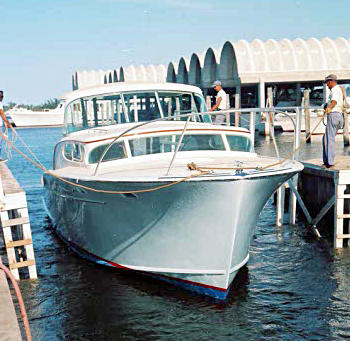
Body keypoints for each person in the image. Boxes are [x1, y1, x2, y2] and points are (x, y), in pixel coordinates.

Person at [322, 74, 345, 168]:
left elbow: (334, 101)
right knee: (326, 138)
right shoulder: (339, 89)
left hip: (334, 115)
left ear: (330, 82)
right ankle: (327, 160)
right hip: (339, 116)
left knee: (329, 139)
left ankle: (329, 162)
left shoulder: (335, 89)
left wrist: (329, 108)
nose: (327, 85)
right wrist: (326, 106)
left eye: (327, 83)